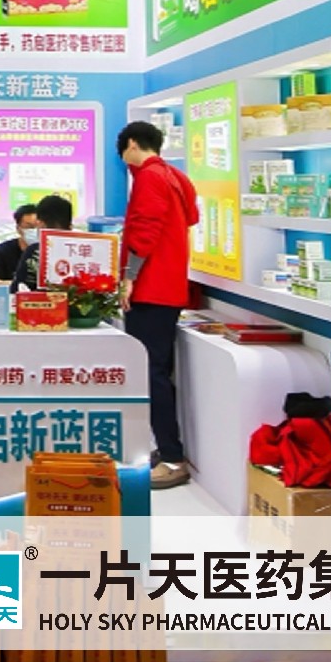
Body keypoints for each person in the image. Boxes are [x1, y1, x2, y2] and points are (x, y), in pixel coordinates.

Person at [118, 120, 201, 489]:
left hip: (151, 288)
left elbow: (144, 230)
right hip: (171, 286)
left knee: (151, 373)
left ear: (132, 144)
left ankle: (171, 458)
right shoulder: (175, 176)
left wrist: (129, 277)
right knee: (158, 371)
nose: (126, 163)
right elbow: (191, 218)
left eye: (124, 154)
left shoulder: (149, 177)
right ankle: (167, 450)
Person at [0, 203, 41, 284]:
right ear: (18, 229)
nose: (35, 231)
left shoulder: (49, 252)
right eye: (29, 227)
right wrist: (20, 285)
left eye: (38, 227)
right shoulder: (1, 251)